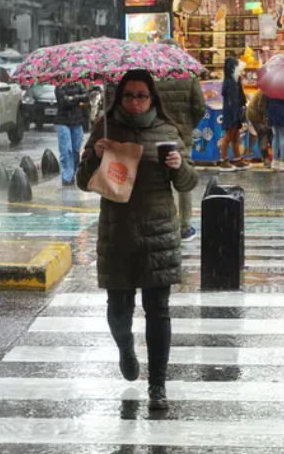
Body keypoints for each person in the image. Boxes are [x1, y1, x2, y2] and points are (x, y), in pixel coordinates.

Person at [76, 69, 199, 412]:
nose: (134, 101)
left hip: (158, 234)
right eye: (128, 95)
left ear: (152, 97)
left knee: (158, 312)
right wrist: (94, 157)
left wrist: (178, 165)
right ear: (120, 96)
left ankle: (157, 385)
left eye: (141, 95)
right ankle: (126, 348)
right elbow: (82, 182)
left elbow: (189, 182)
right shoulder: (105, 127)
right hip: (118, 235)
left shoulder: (167, 129)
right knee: (119, 311)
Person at [155, 70, 206, 241]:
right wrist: (189, 126)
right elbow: (200, 107)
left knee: (159, 176)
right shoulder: (188, 76)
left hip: (158, 132)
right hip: (183, 135)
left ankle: (161, 221)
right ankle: (184, 226)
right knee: (184, 177)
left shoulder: (154, 74)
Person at [218, 56, 251, 172]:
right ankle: (223, 160)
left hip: (235, 112)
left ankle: (237, 159)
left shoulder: (234, 81)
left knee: (236, 136)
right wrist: (235, 114)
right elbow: (232, 101)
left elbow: (241, 99)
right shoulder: (229, 83)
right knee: (228, 136)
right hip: (231, 113)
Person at [54, 82, 87, 186]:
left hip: (77, 121)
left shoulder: (79, 84)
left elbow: (86, 96)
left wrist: (73, 97)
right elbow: (64, 102)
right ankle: (67, 177)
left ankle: (72, 174)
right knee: (66, 150)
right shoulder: (59, 85)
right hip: (63, 122)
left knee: (76, 150)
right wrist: (78, 98)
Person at [266, 94, 284, 171]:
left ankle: (274, 161)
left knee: (275, 136)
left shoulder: (271, 87)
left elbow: (267, 100)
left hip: (272, 111)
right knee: (283, 136)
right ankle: (283, 161)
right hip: (283, 111)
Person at [246, 90, 271, 168]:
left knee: (265, 134)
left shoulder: (268, 90)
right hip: (254, 114)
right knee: (263, 134)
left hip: (258, 114)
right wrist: (265, 119)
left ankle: (267, 158)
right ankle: (266, 159)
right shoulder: (264, 91)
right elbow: (261, 106)